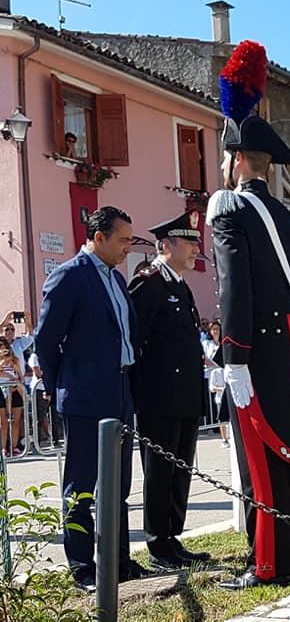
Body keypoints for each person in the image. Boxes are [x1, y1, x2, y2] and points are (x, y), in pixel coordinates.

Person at [210, 39, 290, 590]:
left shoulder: (229, 207)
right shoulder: (286, 216)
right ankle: (289, 556)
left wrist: (234, 355)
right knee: (284, 454)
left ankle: (267, 563)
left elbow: (234, 287)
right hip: (289, 346)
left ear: (235, 160)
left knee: (259, 453)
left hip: (253, 347)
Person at [34, 205, 151, 592]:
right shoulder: (69, 276)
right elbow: (46, 341)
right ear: (99, 237)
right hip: (84, 396)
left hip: (120, 391)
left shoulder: (116, 278)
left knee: (118, 485)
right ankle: (83, 567)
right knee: (82, 487)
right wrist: (60, 388)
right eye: (123, 240)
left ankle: (118, 561)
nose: (128, 248)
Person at [129, 211, 210, 570]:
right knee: (160, 471)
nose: (195, 249)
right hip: (159, 397)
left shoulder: (180, 285)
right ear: (166, 245)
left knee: (180, 470)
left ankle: (172, 537)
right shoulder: (149, 282)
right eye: (188, 243)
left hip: (185, 394)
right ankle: (157, 543)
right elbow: (135, 341)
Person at [204, 320, 229, 447]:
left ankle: (223, 430)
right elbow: (206, 358)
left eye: (217, 329)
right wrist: (217, 363)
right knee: (211, 404)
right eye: (213, 329)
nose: (216, 331)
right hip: (210, 374)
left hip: (223, 374)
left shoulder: (223, 342)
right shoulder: (207, 343)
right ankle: (211, 426)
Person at [0, 336, 24, 456]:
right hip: (1, 390)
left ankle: (14, 447)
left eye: (4, 345)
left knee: (16, 421)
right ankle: (3, 448)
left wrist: (16, 380)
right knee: (3, 422)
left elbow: (21, 376)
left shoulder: (14, 360)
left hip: (14, 389)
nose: (2, 348)